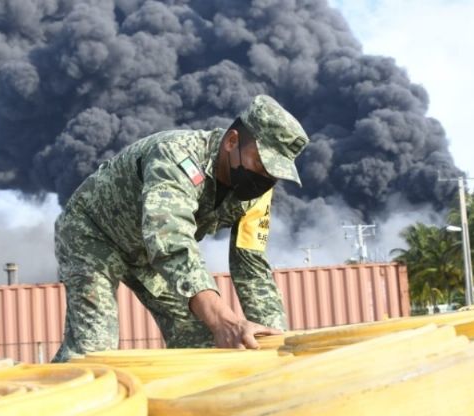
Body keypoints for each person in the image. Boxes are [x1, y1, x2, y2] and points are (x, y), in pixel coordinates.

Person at [52, 94, 309, 361]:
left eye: (274, 174)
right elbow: (170, 239)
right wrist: (223, 318)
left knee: (207, 340)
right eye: (262, 164)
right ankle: (43, 396)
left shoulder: (256, 195)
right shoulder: (177, 156)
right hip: (93, 234)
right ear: (232, 142)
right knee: (94, 350)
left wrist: (275, 343)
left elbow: (252, 267)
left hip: (148, 254)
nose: (265, 178)